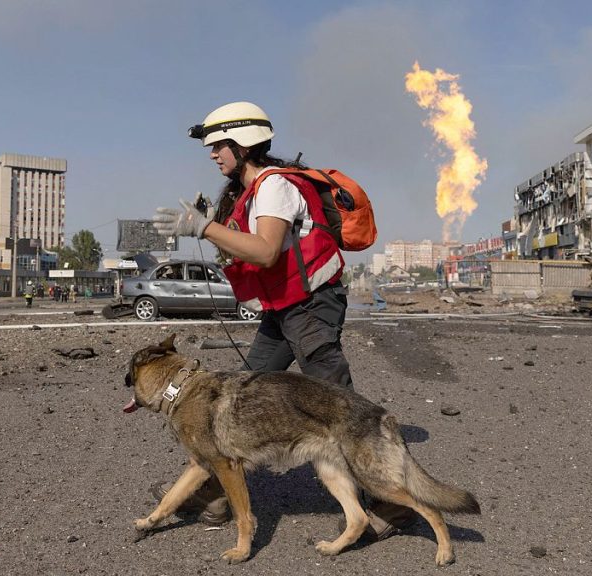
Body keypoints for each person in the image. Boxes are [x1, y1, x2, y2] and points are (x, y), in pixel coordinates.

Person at [152, 101, 415, 539]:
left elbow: (266, 251)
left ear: (244, 143)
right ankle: (215, 492)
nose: (213, 153)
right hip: (284, 309)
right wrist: (212, 224)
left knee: (340, 405)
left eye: (219, 145)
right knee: (239, 399)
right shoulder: (251, 191)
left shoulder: (274, 187)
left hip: (310, 306)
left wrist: (203, 229)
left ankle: (393, 500)